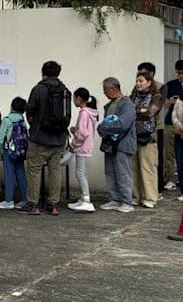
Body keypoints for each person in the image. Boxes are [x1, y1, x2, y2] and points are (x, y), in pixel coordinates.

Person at [24, 61, 72, 216]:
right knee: (55, 171)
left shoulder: (38, 89)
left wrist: (34, 127)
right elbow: (67, 115)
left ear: (43, 72)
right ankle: (53, 205)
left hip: (40, 138)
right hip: (59, 139)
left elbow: (30, 111)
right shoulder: (65, 91)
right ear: (58, 73)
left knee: (34, 170)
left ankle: (33, 204)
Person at [97, 77, 137, 213]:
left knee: (123, 173)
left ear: (112, 89)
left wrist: (103, 128)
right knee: (110, 172)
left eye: (105, 90)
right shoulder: (110, 104)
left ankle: (126, 201)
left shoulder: (127, 104)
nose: (104, 93)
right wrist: (103, 128)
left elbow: (122, 124)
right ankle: (115, 199)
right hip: (110, 144)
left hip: (122, 144)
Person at [130, 71, 162, 208]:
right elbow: (128, 112)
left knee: (148, 167)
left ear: (149, 82)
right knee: (134, 168)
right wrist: (140, 111)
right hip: (133, 136)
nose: (138, 84)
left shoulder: (156, 96)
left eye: (141, 81)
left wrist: (138, 112)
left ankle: (150, 197)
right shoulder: (133, 96)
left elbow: (150, 113)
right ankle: (136, 196)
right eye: (137, 81)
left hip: (148, 137)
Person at [66, 88, 99, 213]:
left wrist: (74, 143)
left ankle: (86, 200)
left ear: (79, 99)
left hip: (82, 147)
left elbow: (82, 134)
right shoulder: (90, 112)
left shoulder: (84, 113)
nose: (73, 101)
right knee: (82, 173)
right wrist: (76, 130)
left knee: (80, 173)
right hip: (86, 146)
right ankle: (83, 199)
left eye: (74, 98)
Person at [161, 60, 183, 191]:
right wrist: (171, 101)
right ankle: (170, 179)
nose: (181, 76)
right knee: (169, 153)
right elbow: (165, 103)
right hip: (170, 122)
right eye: (178, 73)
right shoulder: (171, 85)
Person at [0, 97, 30, 210]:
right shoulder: (23, 121)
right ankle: (25, 199)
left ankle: (9, 200)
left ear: (11, 107)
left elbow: (0, 139)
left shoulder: (7, 120)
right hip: (20, 151)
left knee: (9, 175)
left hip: (9, 151)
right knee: (21, 174)